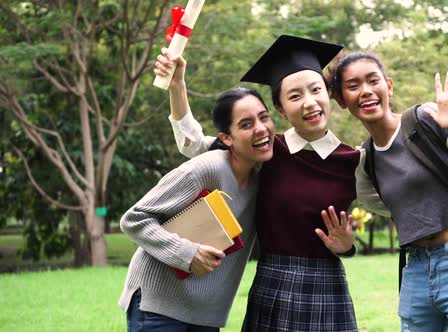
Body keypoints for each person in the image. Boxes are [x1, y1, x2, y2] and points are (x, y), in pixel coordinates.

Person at [162, 35, 388, 332]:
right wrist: (177, 84)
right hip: (273, 283)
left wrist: (347, 247)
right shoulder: (265, 151)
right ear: (281, 111)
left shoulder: (353, 160)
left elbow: (393, 205)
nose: (309, 102)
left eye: (316, 90)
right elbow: (191, 142)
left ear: (329, 95)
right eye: (295, 96)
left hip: (327, 286)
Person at [329, 52, 448, 331]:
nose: (366, 91)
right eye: (354, 85)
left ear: (389, 86)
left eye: (373, 81)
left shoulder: (423, 120)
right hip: (416, 267)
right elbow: (389, 207)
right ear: (342, 100)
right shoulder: (365, 158)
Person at [118, 85, 276, 331]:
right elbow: (134, 219)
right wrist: (187, 253)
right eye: (246, 124)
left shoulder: (263, 176)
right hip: (160, 305)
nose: (260, 128)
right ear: (226, 138)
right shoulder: (205, 169)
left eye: (263, 117)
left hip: (206, 314)